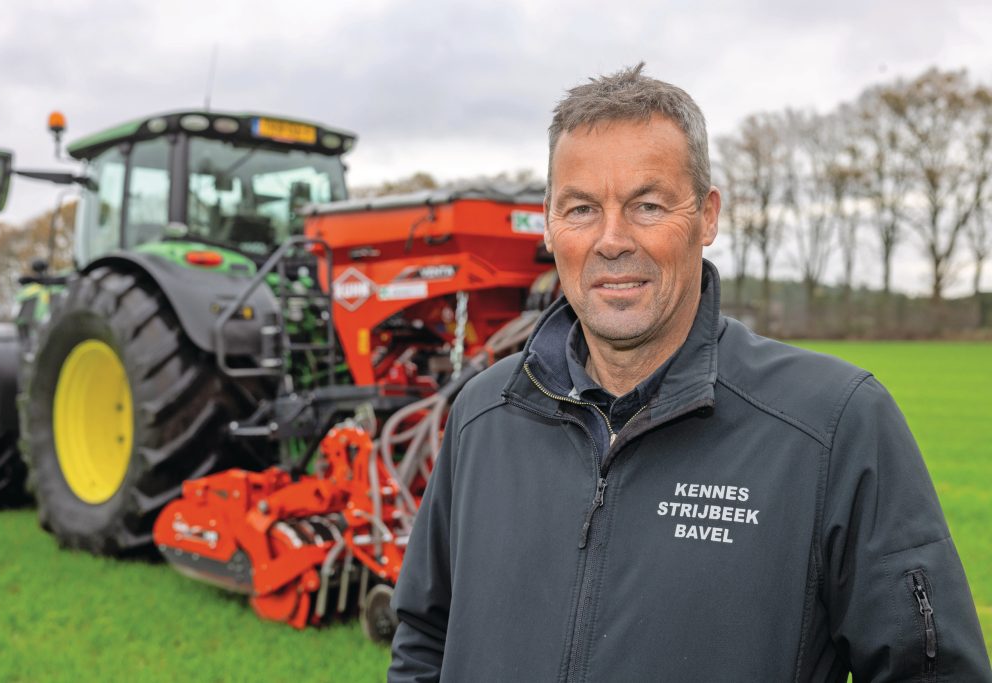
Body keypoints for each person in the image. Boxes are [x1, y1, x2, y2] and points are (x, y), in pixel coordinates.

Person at [388, 64, 991, 682]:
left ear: (707, 216)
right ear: (549, 223)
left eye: (648, 206)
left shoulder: (832, 425)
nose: (612, 240)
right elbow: (424, 641)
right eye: (582, 208)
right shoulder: (483, 415)